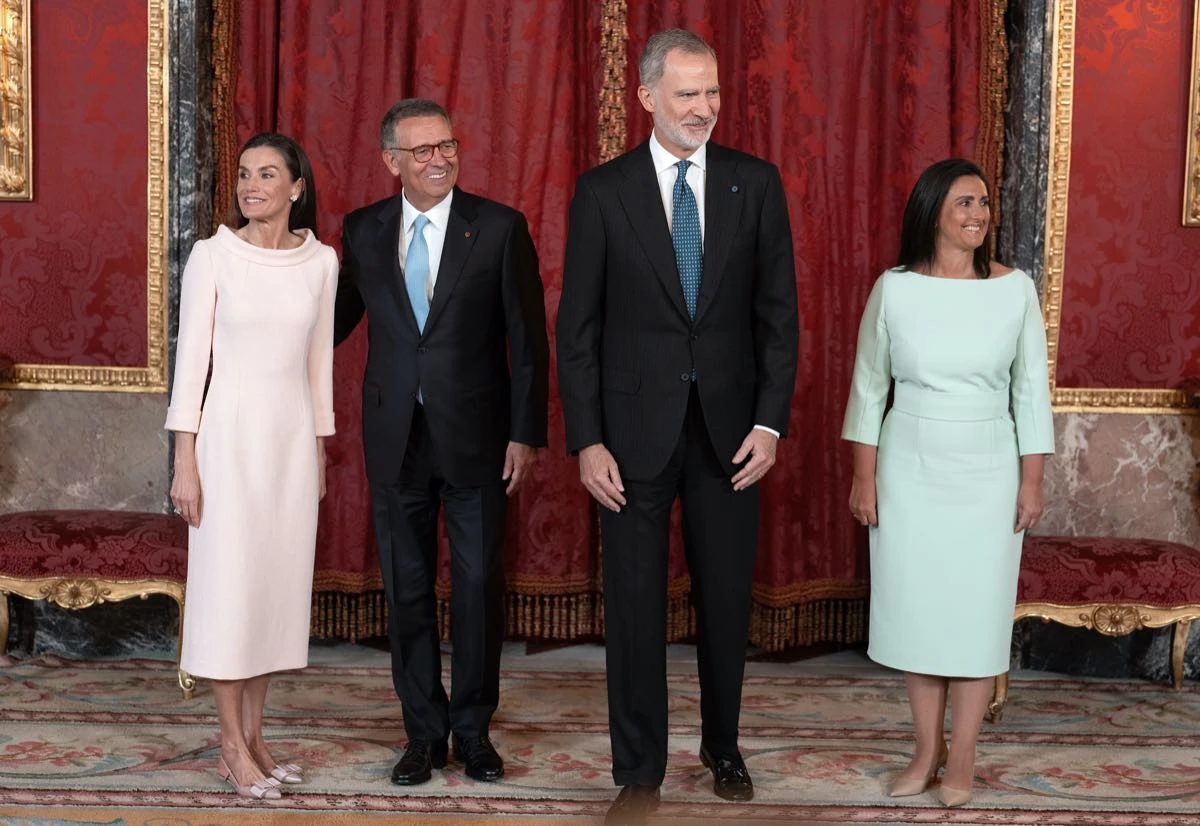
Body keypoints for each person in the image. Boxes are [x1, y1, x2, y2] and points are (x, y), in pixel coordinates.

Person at [556, 29, 799, 825]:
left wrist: (769, 424)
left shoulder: (754, 184)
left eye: (714, 93)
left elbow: (779, 319)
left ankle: (724, 747)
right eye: (689, 94)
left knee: (727, 599)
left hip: (732, 434)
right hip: (629, 437)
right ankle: (639, 766)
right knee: (633, 603)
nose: (704, 109)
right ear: (648, 97)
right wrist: (587, 439)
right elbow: (578, 329)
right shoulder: (602, 191)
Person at [334, 98, 548, 787]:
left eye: (447, 146)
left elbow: (527, 341)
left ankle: (474, 731)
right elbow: (328, 323)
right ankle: (423, 735)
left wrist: (525, 433)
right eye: (421, 150)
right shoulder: (362, 231)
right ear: (391, 160)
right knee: (408, 591)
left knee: (480, 586)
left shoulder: (498, 228)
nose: (438, 160)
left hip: (480, 438)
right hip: (395, 436)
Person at [842, 158, 1054, 807]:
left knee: (975, 619)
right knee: (920, 616)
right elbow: (869, 388)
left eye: (984, 203)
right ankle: (925, 751)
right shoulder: (894, 288)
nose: (978, 214)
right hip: (908, 466)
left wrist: (1032, 481)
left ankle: (962, 757)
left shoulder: (1015, 290)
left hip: (989, 466)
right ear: (934, 210)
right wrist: (864, 479)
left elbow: (1030, 394)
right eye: (965, 202)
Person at [166, 133, 337, 800]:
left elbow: (318, 368)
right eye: (243, 174)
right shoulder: (214, 257)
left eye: (268, 174)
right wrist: (186, 461)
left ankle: (259, 737)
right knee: (230, 594)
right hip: (227, 443)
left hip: (291, 445)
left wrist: (319, 455)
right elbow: (192, 370)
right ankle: (231, 746)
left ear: (297, 187)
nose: (251, 185)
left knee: (270, 595)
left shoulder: (321, 261)